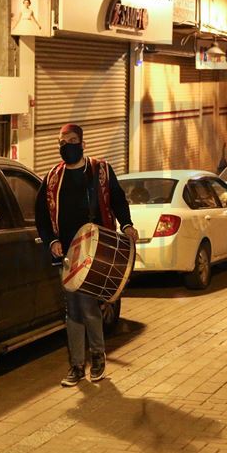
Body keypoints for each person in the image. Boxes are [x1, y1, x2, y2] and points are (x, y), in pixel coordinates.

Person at [35, 123, 138, 387]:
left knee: (89, 307)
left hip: (95, 249)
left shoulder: (99, 170)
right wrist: (52, 242)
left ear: (82, 143)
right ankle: (77, 366)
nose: (66, 145)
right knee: (73, 310)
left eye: (71, 140)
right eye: (62, 141)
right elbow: (42, 217)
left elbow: (117, 198)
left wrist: (126, 224)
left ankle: (97, 357)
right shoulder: (52, 178)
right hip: (67, 254)